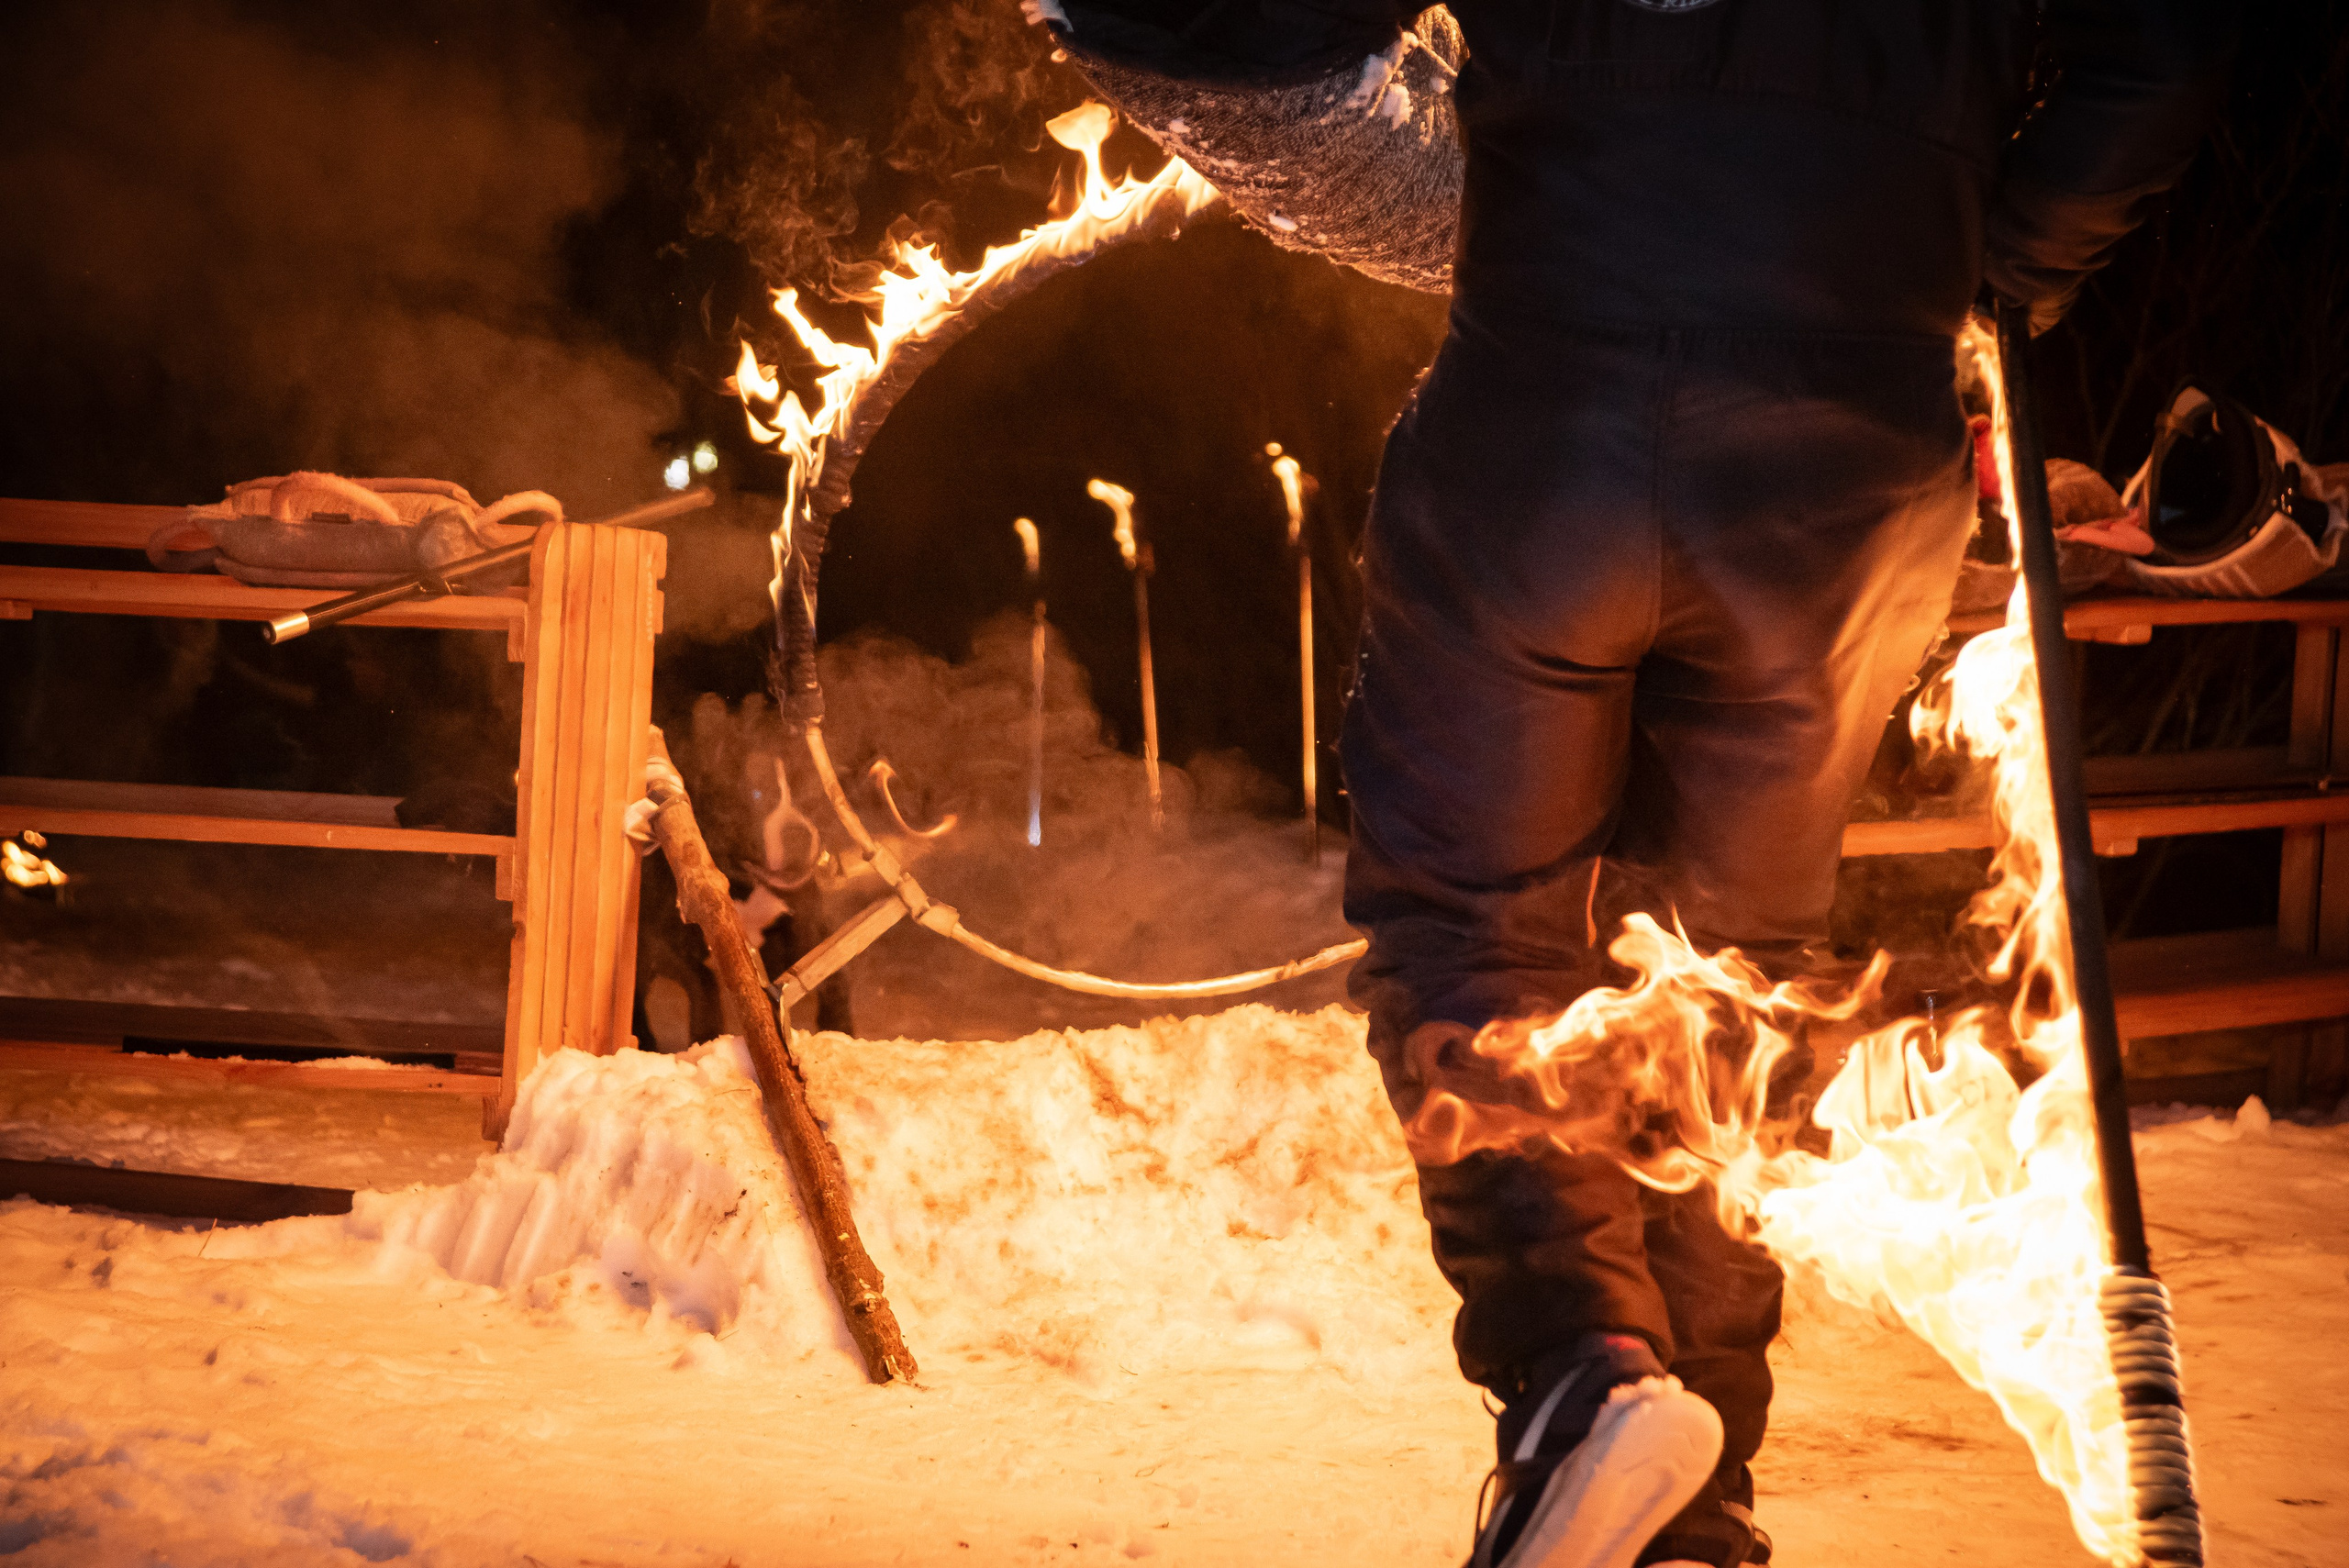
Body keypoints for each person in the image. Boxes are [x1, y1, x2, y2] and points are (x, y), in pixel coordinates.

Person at [1041, 4, 2233, 1564]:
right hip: (1853, 466)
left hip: (1556, 415)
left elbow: (1254, 32)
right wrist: (1998, 260)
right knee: (1740, 974)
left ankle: (1587, 1383)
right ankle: (1696, 1495)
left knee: (1477, 927)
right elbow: (2165, 50)